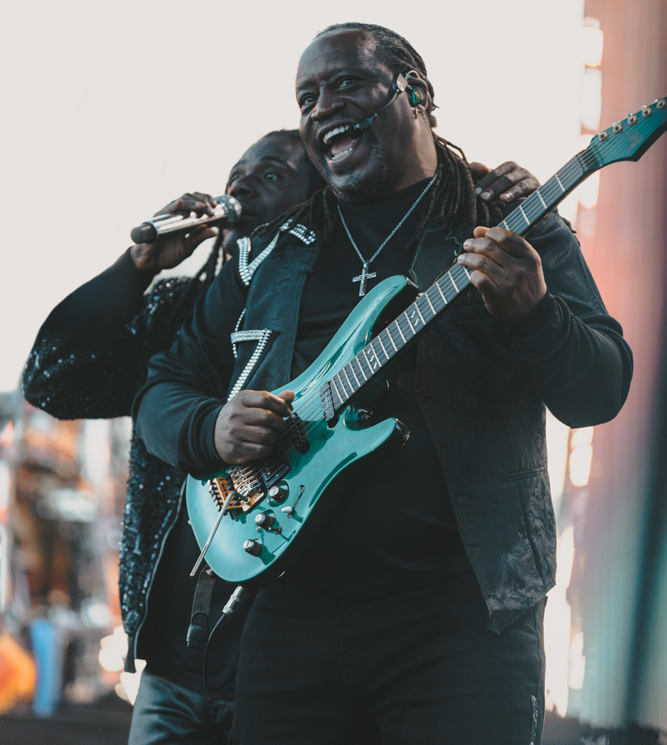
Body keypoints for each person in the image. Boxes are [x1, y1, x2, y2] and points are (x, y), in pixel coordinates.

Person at [133, 22, 633, 745]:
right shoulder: (273, 252)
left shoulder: (509, 223)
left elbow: (600, 390)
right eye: (306, 96)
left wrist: (535, 313)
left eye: (346, 84)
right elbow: (163, 387)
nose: (320, 106)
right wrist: (208, 429)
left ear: (416, 93)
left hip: (463, 624)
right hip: (288, 619)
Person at [23, 120, 536, 745]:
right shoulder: (189, 305)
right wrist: (136, 268)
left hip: (288, 660)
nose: (242, 184)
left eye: (271, 175)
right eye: (237, 172)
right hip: (177, 667)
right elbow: (51, 380)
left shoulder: (350, 309)